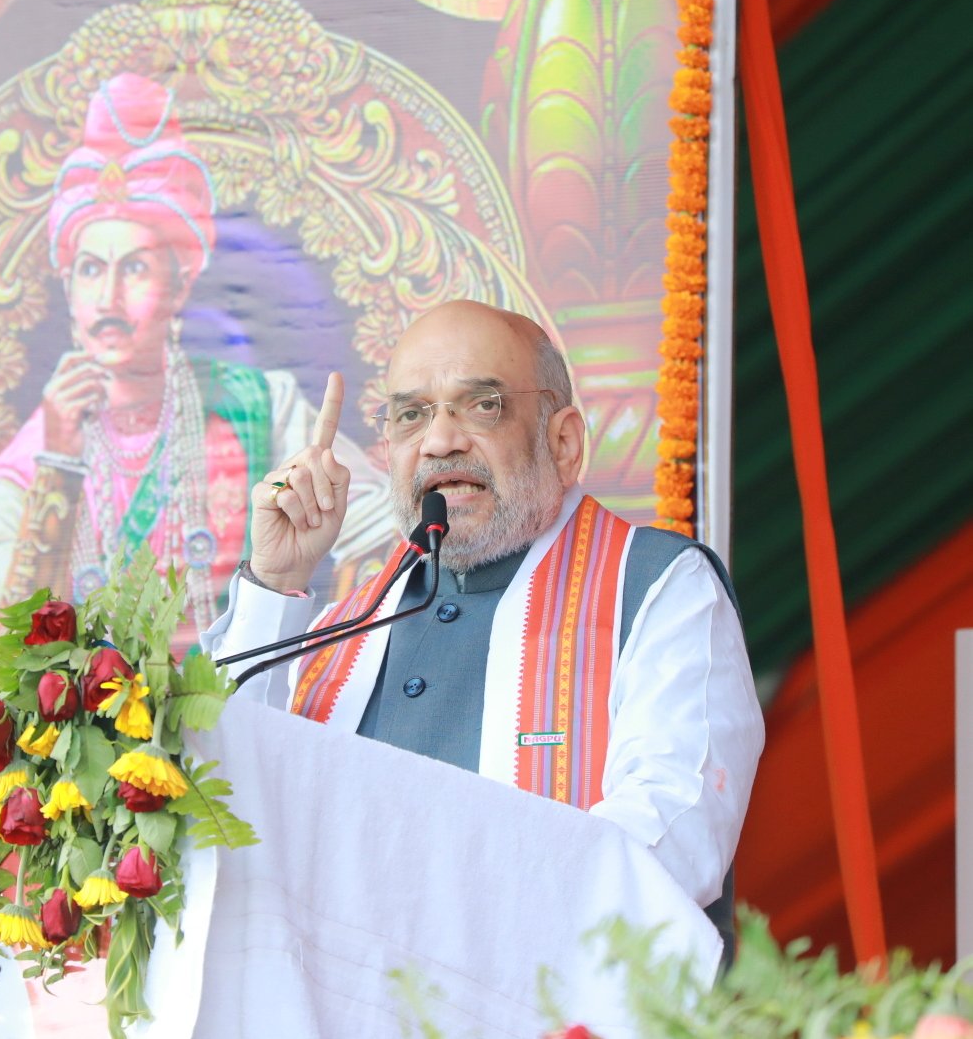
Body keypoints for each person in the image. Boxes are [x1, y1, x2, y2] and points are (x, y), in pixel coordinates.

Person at [203, 299, 765, 954]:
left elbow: (665, 845)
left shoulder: (657, 588)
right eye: (412, 414)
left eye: (482, 405)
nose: (440, 440)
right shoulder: (337, 634)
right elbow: (225, 812)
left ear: (564, 442)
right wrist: (275, 585)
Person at [0, 73, 391, 656]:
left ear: (179, 284)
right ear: (68, 288)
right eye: (91, 269)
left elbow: (388, 530)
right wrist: (60, 467)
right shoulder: (33, 458)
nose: (109, 298)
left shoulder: (256, 406)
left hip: (238, 718)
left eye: (134, 269)